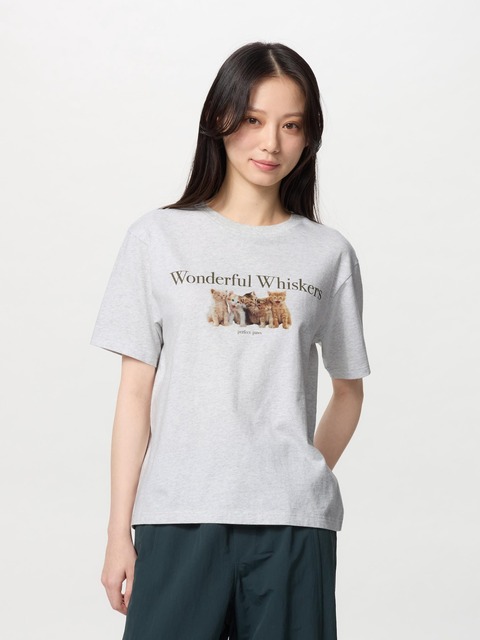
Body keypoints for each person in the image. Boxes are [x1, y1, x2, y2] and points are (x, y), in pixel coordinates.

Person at [90, 41, 371, 640]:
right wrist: (119, 532)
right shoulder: (157, 238)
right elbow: (134, 394)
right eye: (252, 119)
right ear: (220, 118)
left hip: (293, 524)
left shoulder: (328, 254)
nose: (271, 143)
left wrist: (302, 472)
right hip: (177, 515)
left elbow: (349, 391)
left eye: (291, 125)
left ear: (309, 137)